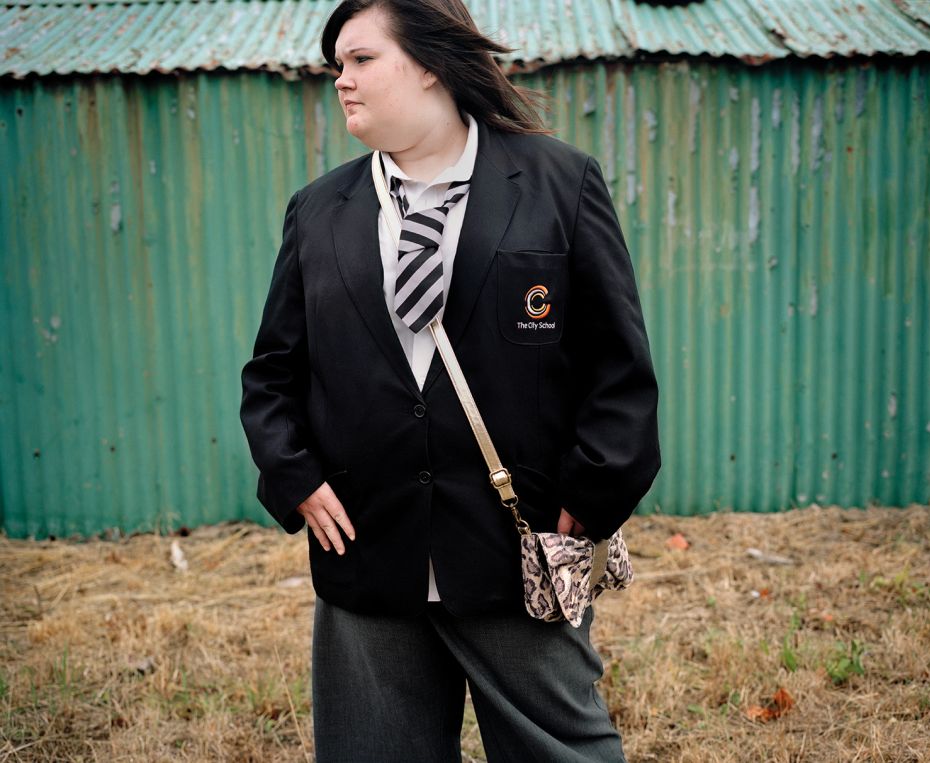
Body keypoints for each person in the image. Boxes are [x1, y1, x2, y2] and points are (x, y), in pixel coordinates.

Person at [239, 0, 661, 759]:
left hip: (517, 552)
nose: (343, 80)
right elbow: (273, 372)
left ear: (431, 63)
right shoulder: (319, 212)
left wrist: (590, 498)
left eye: (362, 59)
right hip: (367, 553)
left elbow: (618, 367)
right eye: (337, 64)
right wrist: (294, 474)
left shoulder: (558, 183)